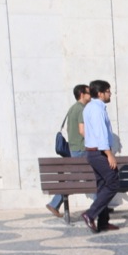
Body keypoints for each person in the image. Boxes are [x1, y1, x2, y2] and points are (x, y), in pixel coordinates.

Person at [45, 84, 91, 217]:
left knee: (81, 178)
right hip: (81, 149)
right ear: (82, 94)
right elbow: (82, 131)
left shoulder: (72, 108)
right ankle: (101, 205)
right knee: (83, 178)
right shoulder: (81, 109)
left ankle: (101, 205)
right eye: (89, 93)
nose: (91, 95)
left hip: (74, 148)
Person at [81, 79, 120, 232]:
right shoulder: (97, 109)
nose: (110, 94)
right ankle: (90, 214)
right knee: (113, 182)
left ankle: (103, 222)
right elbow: (100, 133)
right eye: (108, 91)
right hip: (99, 153)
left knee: (103, 186)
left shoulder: (90, 107)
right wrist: (109, 154)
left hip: (93, 152)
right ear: (100, 93)